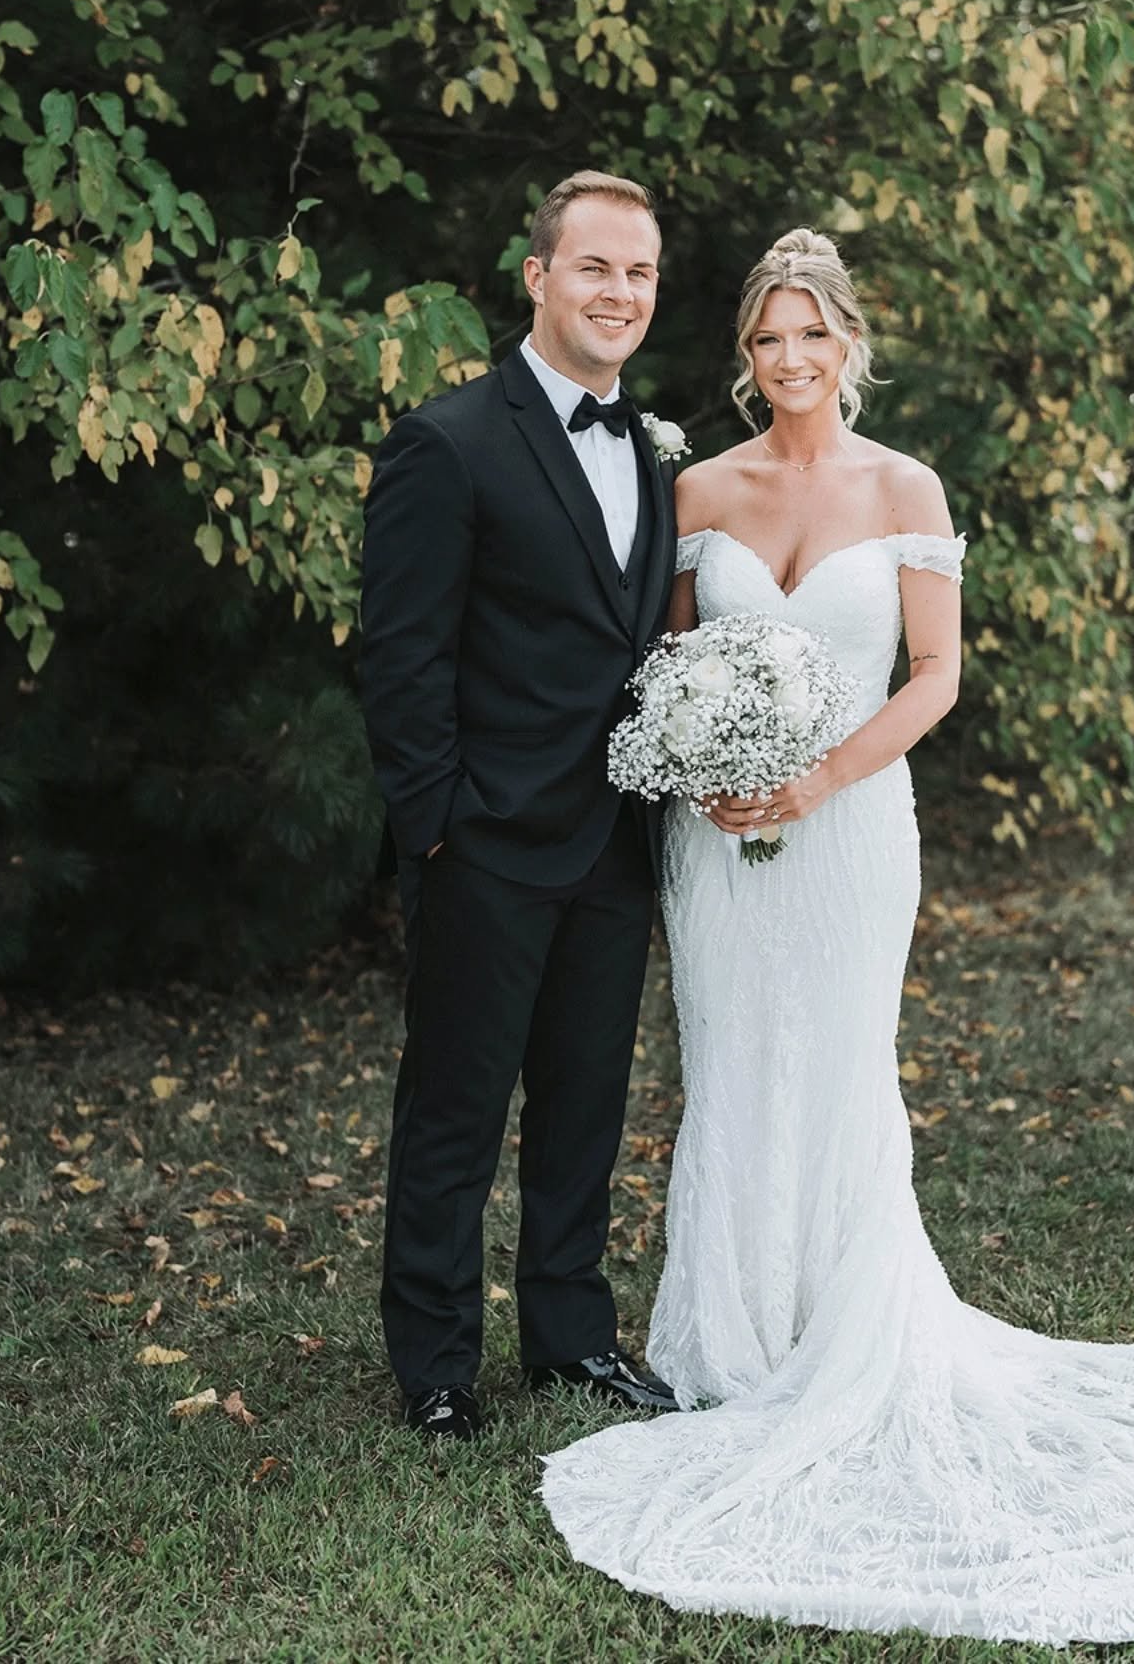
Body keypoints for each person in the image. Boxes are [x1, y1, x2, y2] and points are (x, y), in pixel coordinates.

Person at [539, 230, 1134, 1644]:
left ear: (850, 344)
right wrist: (704, 771)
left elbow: (935, 677)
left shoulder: (908, 487)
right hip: (719, 835)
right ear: (744, 357)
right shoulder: (699, 488)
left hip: (856, 822)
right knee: (737, 1063)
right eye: (765, 340)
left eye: (810, 335)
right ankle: (740, 1339)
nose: (789, 361)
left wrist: (817, 777)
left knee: (844, 1063)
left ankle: (848, 1330)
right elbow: (673, 667)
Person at [359, 170, 681, 1439]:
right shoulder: (449, 441)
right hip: (487, 838)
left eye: (641, 273)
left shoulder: (654, 450)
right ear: (537, 275)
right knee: (455, 1106)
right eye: (596, 267)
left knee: (588, 1100)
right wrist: (437, 819)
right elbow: (401, 656)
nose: (620, 292)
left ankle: (571, 1334)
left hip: (614, 838)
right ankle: (436, 1361)